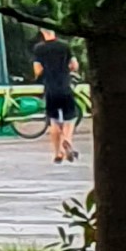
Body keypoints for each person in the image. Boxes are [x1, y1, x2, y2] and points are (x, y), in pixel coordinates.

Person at [32, 26, 81, 163]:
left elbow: (37, 69)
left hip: (50, 89)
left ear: (42, 32)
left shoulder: (39, 49)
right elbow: (74, 65)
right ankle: (67, 140)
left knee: (53, 121)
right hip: (65, 86)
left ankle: (57, 153)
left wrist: (42, 74)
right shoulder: (65, 46)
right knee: (70, 118)